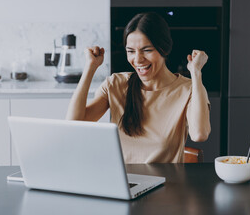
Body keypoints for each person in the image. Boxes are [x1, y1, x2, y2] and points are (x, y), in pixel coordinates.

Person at [66, 12, 211, 163]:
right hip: (122, 183)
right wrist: (90, 67)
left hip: (167, 184)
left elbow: (199, 134)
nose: (137, 59)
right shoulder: (116, 84)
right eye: (130, 51)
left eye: (147, 50)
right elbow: (73, 123)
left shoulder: (188, 89)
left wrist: (196, 72)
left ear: (164, 49)